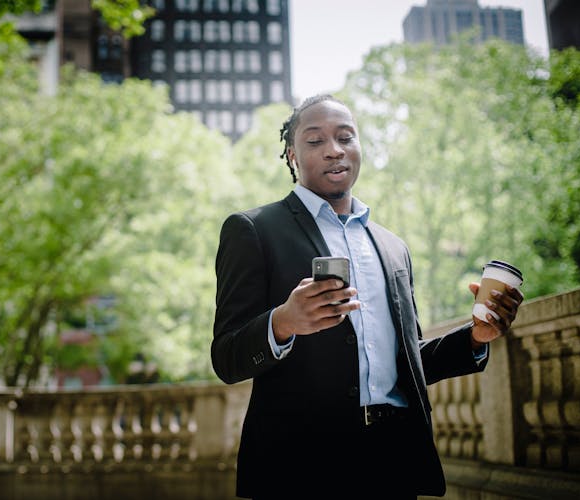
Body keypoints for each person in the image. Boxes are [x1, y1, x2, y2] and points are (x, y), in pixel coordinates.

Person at [211, 94, 524, 500]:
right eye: (315, 141)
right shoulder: (252, 230)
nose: (334, 150)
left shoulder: (393, 247)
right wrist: (283, 321)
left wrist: (475, 338)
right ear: (291, 155)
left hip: (394, 461)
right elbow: (226, 357)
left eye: (345, 137)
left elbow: (407, 361)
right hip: (299, 467)